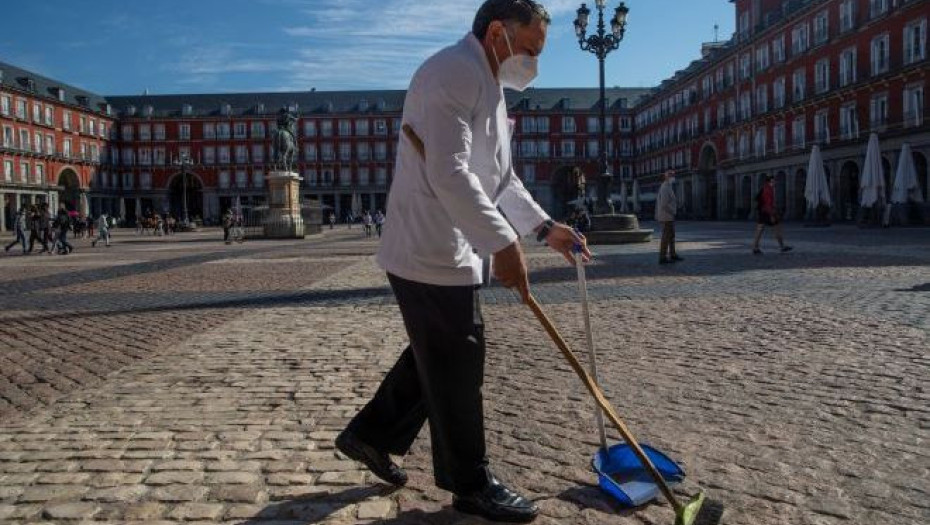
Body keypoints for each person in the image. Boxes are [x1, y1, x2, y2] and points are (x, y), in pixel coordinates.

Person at [335, 2, 588, 523]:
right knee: (458, 359)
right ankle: (471, 484)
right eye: (530, 49)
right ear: (498, 32)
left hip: (449, 247)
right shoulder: (451, 72)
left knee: (437, 353)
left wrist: (544, 229)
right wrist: (503, 244)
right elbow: (449, 172)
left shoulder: (487, 81)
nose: (533, 63)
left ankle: (369, 435)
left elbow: (500, 179)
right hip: (428, 247)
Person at [752, 174, 792, 255]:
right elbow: (768, 203)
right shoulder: (768, 190)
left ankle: (755, 247)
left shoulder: (765, 188)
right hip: (767, 212)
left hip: (762, 212)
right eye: (773, 182)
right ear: (769, 182)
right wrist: (772, 215)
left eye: (775, 181)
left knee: (759, 230)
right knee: (776, 228)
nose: (775, 183)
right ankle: (782, 246)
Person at [656, 170, 682, 264]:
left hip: (669, 216)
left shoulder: (668, 186)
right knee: (666, 237)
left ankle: (673, 254)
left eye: (673, 175)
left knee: (671, 236)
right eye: (672, 176)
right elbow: (664, 204)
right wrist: (673, 211)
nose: (673, 177)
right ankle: (662, 257)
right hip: (666, 216)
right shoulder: (665, 188)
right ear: (667, 177)